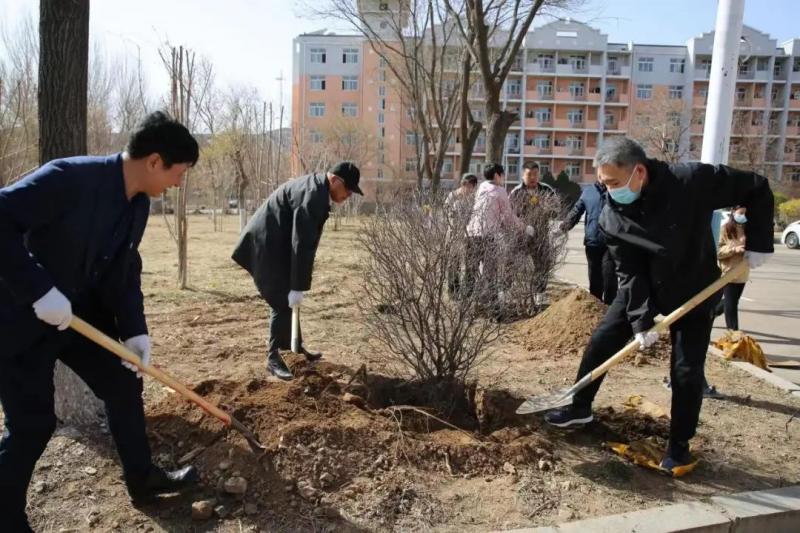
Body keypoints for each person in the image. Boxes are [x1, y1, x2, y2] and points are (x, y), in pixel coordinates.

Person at [0, 111, 201, 531]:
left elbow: (124, 269)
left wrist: (133, 330)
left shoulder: (137, 206)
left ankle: (142, 479)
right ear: (154, 161)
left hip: (75, 316)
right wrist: (37, 288)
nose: (179, 183)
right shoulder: (68, 178)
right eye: (179, 173)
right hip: (20, 317)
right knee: (32, 426)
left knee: (123, 381)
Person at [543, 137, 774, 473]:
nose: (608, 191)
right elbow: (630, 271)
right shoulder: (612, 216)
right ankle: (580, 405)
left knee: (686, 369)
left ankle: (679, 446)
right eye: (602, 183)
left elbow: (756, 187)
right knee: (603, 339)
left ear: (639, 171)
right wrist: (640, 323)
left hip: (694, 285)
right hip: (646, 285)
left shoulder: (690, 181)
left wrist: (761, 243)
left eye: (613, 183)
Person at [232, 161, 362, 381]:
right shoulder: (313, 195)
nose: (349, 194)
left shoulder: (317, 189)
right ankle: (275, 359)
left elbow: (302, 242)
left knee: (290, 302)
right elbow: (301, 243)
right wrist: (297, 285)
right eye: (348, 188)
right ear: (334, 180)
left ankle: (296, 349)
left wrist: (297, 285)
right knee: (282, 301)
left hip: (275, 245)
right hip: (265, 245)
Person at [465, 163, 532, 318]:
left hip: (471, 235)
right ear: (497, 175)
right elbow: (508, 217)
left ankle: (469, 309)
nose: (503, 178)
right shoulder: (500, 191)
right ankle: (494, 311)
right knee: (490, 273)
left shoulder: (481, 188)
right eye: (503, 175)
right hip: (487, 236)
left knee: (471, 272)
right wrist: (524, 227)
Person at [562, 179, 618, 305]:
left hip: (611, 244)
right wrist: (563, 227)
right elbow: (577, 211)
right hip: (592, 243)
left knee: (610, 281)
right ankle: (596, 315)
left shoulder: (617, 190)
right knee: (595, 282)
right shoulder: (588, 192)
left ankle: (611, 315)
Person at [509, 161, 557, 306]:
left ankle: (539, 294)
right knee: (511, 262)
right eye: (529, 174)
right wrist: (523, 226)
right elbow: (510, 214)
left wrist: (547, 209)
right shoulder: (516, 192)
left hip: (541, 235)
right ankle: (506, 292)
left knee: (542, 264)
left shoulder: (546, 190)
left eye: (535, 174)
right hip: (521, 234)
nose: (532, 178)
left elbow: (556, 211)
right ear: (523, 175)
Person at [716, 207, 750, 331]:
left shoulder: (749, 229)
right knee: (731, 305)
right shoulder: (726, 228)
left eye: (746, 213)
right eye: (741, 213)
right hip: (729, 272)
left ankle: (711, 313)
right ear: (733, 212)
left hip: (743, 272)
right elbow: (719, 252)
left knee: (731, 301)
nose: (743, 216)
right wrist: (734, 249)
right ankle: (733, 334)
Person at [445, 173, 478, 296]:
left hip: (469, 236)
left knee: (469, 264)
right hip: (453, 235)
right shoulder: (452, 196)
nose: (468, 188)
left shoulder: (474, 198)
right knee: (453, 264)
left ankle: (468, 292)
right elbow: (447, 212)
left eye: (471, 186)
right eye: (465, 185)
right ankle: (453, 291)